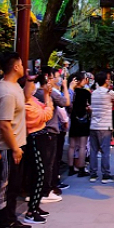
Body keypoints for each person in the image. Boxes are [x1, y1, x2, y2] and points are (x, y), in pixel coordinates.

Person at [0, 51, 30, 228]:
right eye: (22, 64)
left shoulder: (14, 85)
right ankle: (3, 226)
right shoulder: (6, 91)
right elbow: (4, 124)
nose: (24, 67)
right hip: (9, 148)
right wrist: (15, 148)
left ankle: (11, 217)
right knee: (5, 186)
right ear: (15, 66)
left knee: (15, 185)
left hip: (18, 145)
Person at [34, 67, 70, 203]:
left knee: (44, 163)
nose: (56, 80)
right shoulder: (48, 93)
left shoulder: (35, 92)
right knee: (48, 163)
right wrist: (66, 87)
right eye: (53, 77)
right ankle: (46, 191)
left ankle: (41, 190)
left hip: (41, 130)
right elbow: (65, 102)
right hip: (49, 129)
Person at [23, 75, 54, 224]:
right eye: (30, 84)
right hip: (34, 139)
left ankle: (35, 205)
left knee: (40, 173)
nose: (33, 86)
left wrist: (47, 99)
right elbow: (46, 114)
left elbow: (46, 110)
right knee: (39, 172)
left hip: (40, 137)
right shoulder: (26, 105)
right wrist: (48, 96)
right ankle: (31, 210)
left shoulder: (32, 100)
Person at [89, 71, 114, 184]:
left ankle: (93, 174)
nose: (109, 80)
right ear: (105, 80)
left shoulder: (94, 93)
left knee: (94, 151)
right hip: (105, 126)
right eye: (108, 78)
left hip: (94, 126)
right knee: (105, 151)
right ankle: (106, 175)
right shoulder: (108, 93)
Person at [68, 72, 91, 177]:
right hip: (83, 120)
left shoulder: (71, 92)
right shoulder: (85, 93)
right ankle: (81, 168)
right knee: (82, 146)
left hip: (73, 119)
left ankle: (71, 168)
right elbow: (90, 106)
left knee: (72, 146)